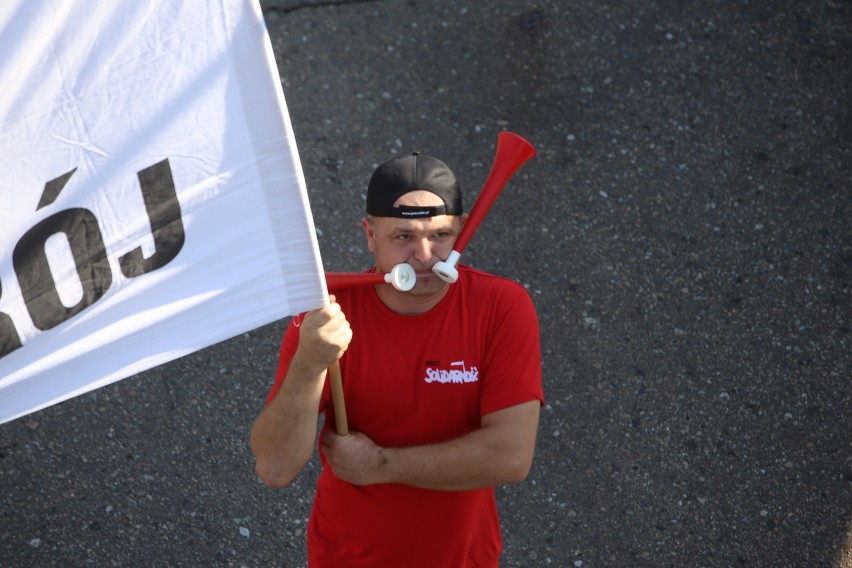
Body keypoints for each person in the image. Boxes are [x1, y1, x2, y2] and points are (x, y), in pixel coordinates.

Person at [250, 151, 544, 567]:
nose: (425, 255)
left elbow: (510, 456)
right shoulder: (326, 314)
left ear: (460, 230)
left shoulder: (502, 307)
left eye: (439, 234)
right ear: (370, 235)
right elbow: (275, 467)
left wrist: (380, 465)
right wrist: (308, 364)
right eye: (403, 237)